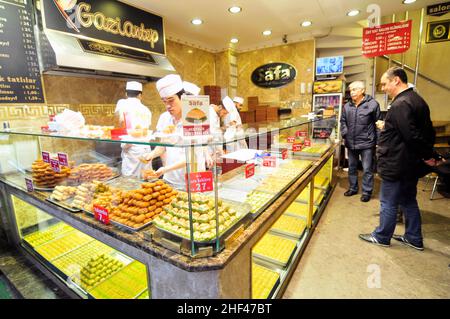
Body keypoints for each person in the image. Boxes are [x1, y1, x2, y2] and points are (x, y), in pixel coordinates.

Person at [359, 67, 438, 251]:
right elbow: (418, 131)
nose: (383, 88)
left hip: (397, 163)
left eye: (385, 84)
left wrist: (429, 155)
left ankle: (382, 236)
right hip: (409, 163)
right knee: (408, 200)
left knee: (388, 201)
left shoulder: (401, 103)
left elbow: (410, 135)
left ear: (396, 80)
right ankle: (413, 237)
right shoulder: (417, 100)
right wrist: (427, 154)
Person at [340, 81, 381, 202]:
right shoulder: (347, 106)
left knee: (367, 168)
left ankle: (367, 191)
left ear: (362, 91)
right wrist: (345, 133)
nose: (352, 92)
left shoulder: (373, 104)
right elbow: (343, 121)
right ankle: (353, 188)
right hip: (351, 142)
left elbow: (378, 123)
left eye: (354, 90)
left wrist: (378, 141)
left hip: (367, 143)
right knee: (352, 167)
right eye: (351, 90)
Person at [114, 81, 152, 177]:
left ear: (126, 94)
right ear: (140, 95)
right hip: (145, 148)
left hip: (131, 148)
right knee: (145, 178)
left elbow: (120, 121)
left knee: (130, 180)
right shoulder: (146, 110)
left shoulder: (122, 103)